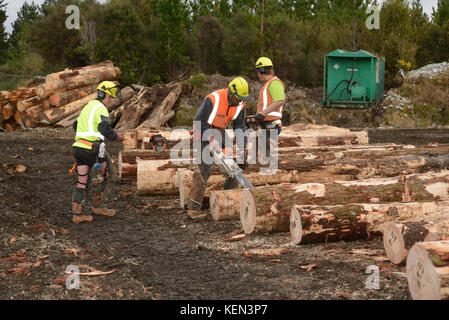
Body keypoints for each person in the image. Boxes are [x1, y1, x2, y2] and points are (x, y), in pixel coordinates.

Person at [187, 77, 250, 219]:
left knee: (234, 166)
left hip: (220, 132)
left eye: (242, 99)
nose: (240, 101)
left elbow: (240, 127)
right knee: (204, 168)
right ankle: (193, 208)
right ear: (231, 92)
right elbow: (198, 122)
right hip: (202, 131)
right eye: (238, 98)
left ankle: (229, 202)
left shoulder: (241, 104)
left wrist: (242, 149)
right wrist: (212, 143)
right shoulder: (214, 98)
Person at [71, 81, 124, 224]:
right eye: (110, 96)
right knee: (111, 176)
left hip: (78, 147)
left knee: (82, 181)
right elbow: (105, 128)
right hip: (93, 149)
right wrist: (117, 137)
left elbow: (75, 124)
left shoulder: (88, 106)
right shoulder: (101, 108)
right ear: (102, 94)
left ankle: (78, 213)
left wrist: (83, 137)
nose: (111, 100)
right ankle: (99, 206)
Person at [253, 57, 285, 157]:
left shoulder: (274, 83)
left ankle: (270, 170)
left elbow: (279, 100)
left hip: (272, 124)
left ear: (261, 71)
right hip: (266, 123)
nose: (258, 74)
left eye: (258, 71)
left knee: (265, 155)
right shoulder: (268, 84)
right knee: (260, 152)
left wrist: (262, 114)